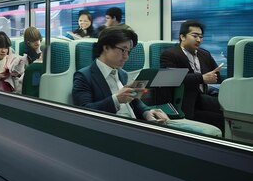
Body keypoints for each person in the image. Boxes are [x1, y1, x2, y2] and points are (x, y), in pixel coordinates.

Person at [73, 27, 221, 136]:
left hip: (136, 125)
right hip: (111, 131)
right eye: (123, 50)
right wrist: (116, 99)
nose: (126, 57)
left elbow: (134, 101)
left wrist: (147, 112)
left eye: (129, 52)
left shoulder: (122, 74)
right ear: (105, 47)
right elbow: (84, 112)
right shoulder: (84, 76)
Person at [160, 20, 224, 133]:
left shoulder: (204, 54)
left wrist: (214, 76)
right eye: (195, 36)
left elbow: (216, 77)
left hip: (202, 97)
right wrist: (202, 78)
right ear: (183, 37)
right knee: (221, 120)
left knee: (229, 113)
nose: (199, 40)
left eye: (201, 36)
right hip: (185, 103)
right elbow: (170, 78)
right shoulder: (170, 54)